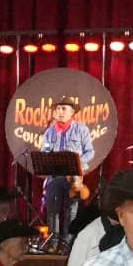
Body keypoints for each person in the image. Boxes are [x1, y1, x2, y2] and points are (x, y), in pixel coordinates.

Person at [38, 98, 97, 245]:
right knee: (52, 211)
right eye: (58, 109)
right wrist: (46, 156)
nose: (60, 112)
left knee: (71, 211)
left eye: (64, 108)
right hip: (54, 176)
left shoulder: (81, 129)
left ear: (72, 112)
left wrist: (78, 163)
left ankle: (68, 243)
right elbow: (44, 151)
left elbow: (90, 152)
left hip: (73, 177)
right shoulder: (50, 132)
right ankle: (53, 242)